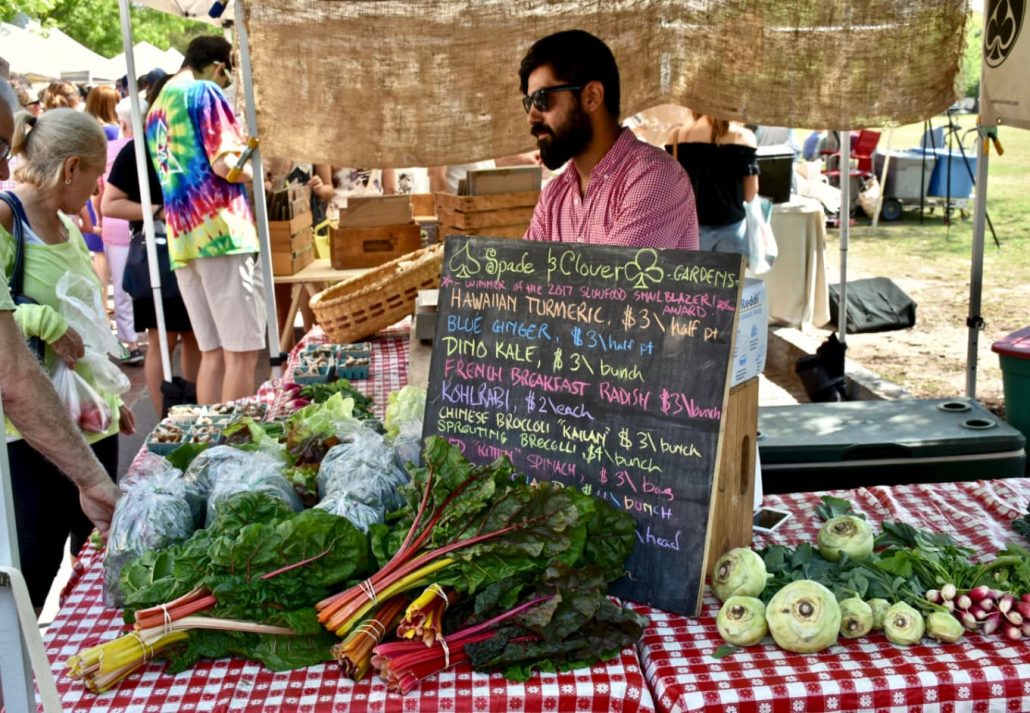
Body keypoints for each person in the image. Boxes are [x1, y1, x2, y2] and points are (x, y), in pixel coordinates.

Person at [0, 87, 126, 610]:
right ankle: (15, 686)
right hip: (32, 436)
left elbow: (87, 320)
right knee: (36, 561)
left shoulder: (70, 227)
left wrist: (110, 392)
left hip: (92, 420)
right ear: (71, 168)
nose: (99, 190)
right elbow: (14, 324)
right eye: (97, 176)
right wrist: (39, 319)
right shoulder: (8, 220)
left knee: (96, 558)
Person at [146, 36, 265, 403]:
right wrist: (255, 170)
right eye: (226, 79)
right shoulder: (204, 93)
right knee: (241, 353)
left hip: (183, 238)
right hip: (221, 233)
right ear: (219, 67)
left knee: (213, 353)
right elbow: (225, 165)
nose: (225, 86)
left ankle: (211, 447)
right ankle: (234, 447)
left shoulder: (155, 107)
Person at [519, 30, 698, 249]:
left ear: (592, 97)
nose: (531, 117)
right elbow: (525, 280)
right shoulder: (553, 197)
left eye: (542, 99)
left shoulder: (655, 178)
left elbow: (618, 281)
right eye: (529, 103)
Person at [665, 115, 759, 254]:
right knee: (729, 276)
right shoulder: (744, 137)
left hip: (690, 229)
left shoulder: (676, 136)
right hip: (732, 228)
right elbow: (750, 195)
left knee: (689, 276)